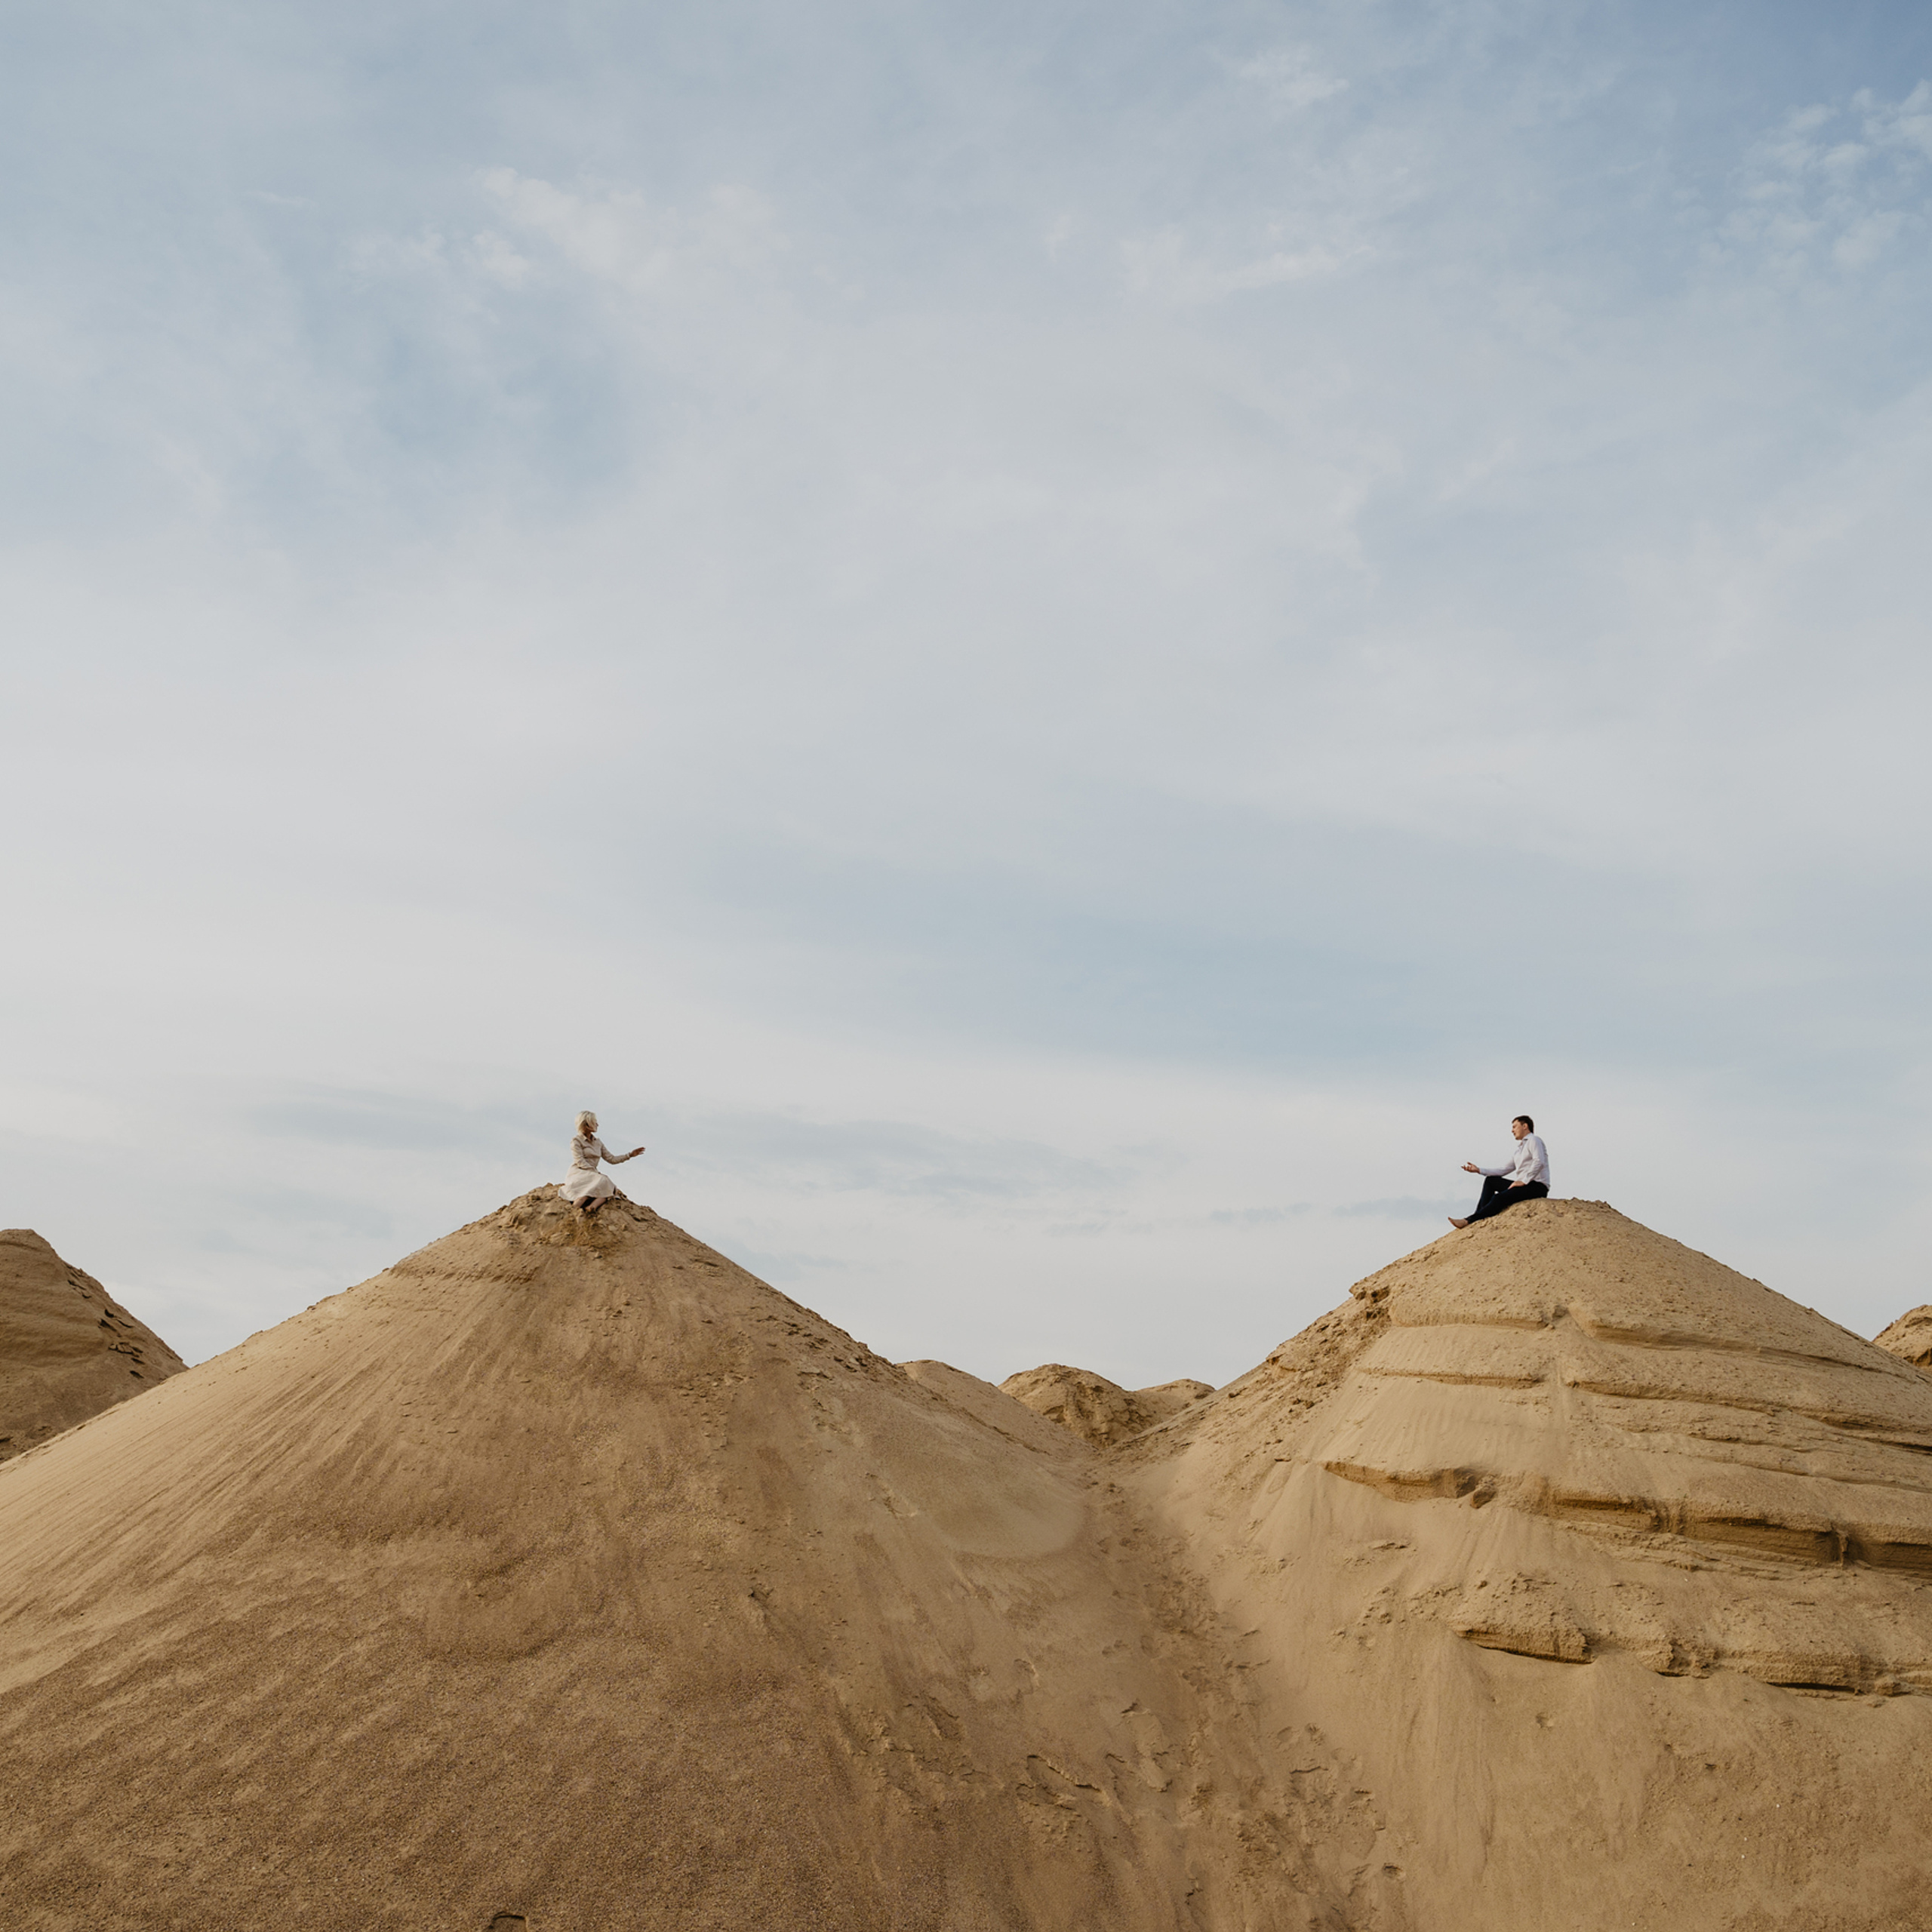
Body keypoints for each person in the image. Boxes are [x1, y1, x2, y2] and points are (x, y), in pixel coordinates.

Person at [1448, 1115, 1549, 1229]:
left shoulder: (1534, 1140)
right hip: (1523, 1186)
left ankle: (1469, 1220)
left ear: (1525, 1126)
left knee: (1499, 1198)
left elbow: (1539, 1162)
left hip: (1537, 1187)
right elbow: (1503, 1170)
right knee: (1491, 1181)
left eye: (1515, 1127)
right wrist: (1479, 1170)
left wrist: (1524, 1181)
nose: (1512, 1130)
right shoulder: (1519, 1150)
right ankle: (1477, 1217)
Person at [561, 1111, 645, 1216]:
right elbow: (580, 1161)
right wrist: (594, 1173)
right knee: (600, 1183)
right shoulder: (576, 1141)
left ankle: (591, 1208)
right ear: (587, 1124)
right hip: (579, 1172)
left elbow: (611, 1159)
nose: (597, 1125)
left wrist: (630, 1155)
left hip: (592, 1174)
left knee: (608, 1186)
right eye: (595, 1122)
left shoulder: (598, 1143)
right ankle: (571, 1214)